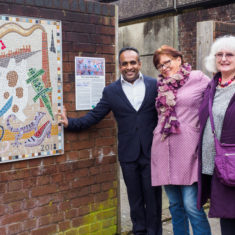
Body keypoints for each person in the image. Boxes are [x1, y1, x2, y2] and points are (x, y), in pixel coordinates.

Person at [60, 47, 162, 235]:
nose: (129, 67)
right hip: (128, 156)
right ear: (119, 66)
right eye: (125, 63)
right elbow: (94, 116)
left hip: (152, 154)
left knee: (154, 200)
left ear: (139, 63)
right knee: (135, 200)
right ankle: (139, 232)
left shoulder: (155, 85)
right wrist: (69, 123)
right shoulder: (111, 91)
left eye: (133, 62)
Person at [151, 45, 211, 235]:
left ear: (179, 59)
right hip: (164, 149)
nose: (164, 67)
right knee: (175, 205)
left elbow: (218, 97)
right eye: (159, 65)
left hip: (188, 150)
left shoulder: (198, 78)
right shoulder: (161, 85)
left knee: (192, 205)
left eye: (167, 62)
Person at [197, 35, 235, 235]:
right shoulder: (211, 86)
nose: (224, 58)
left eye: (230, 54)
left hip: (233, 162)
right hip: (217, 165)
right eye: (219, 54)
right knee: (226, 215)